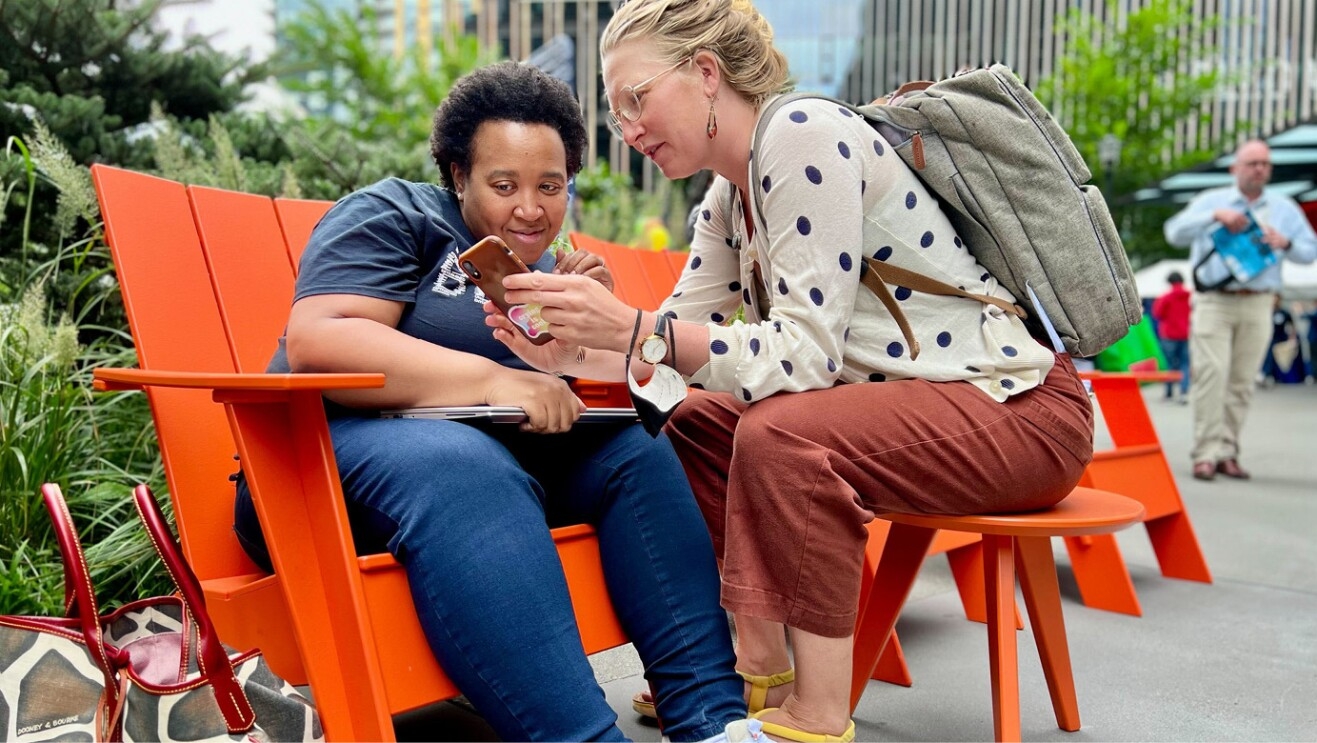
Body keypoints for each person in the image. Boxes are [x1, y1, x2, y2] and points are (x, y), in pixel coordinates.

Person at [484, 2, 1096, 740]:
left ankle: (815, 714)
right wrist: (568, 352)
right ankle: (759, 667)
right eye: (616, 112)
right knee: (688, 419)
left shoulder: (804, 136)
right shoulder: (726, 197)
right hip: (920, 413)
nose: (629, 126)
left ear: (706, 74)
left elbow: (804, 359)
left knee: (782, 434)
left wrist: (635, 329)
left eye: (636, 98)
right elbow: (672, 358)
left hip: (1021, 410)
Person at [231, 61, 749, 742]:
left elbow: (623, 385)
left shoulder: (537, 275)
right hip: (312, 477)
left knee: (635, 451)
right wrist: (498, 380)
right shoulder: (395, 214)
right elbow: (321, 340)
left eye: (550, 186)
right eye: (503, 185)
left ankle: (715, 722)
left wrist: (593, 325)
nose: (529, 208)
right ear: (457, 175)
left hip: (492, 483)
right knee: (465, 461)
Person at [1165, 139, 1317, 482]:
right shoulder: (1211, 201)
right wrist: (1213, 217)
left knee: (1242, 381)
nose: (1259, 169)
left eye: (1264, 163)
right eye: (1252, 163)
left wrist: (1286, 242)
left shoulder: (1284, 208)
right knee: (1211, 374)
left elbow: (1310, 251)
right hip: (1215, 301)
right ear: (1236, 168)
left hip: (1260, 301)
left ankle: (1227, 453)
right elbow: (1174, 232)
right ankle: (1205, 454)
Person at [1151, 270, 1192, 402]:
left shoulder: (1166, 297)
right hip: (1186, 333)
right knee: (1185, 363)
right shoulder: (1190, 296)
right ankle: (1184, 392)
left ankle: (1169, 393)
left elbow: (1157, 313)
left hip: (1169, 334)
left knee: (1169, 363)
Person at [1261, 297, 1305, 384]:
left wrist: (1292, 338)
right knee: (1269, 357)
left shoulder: (1284, 312)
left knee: (1282, 359)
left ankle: (1280, 377)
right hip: (1271, 338)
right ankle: (1268, 375)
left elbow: (1292, 325)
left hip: (1281, 338)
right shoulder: (1268, 312)